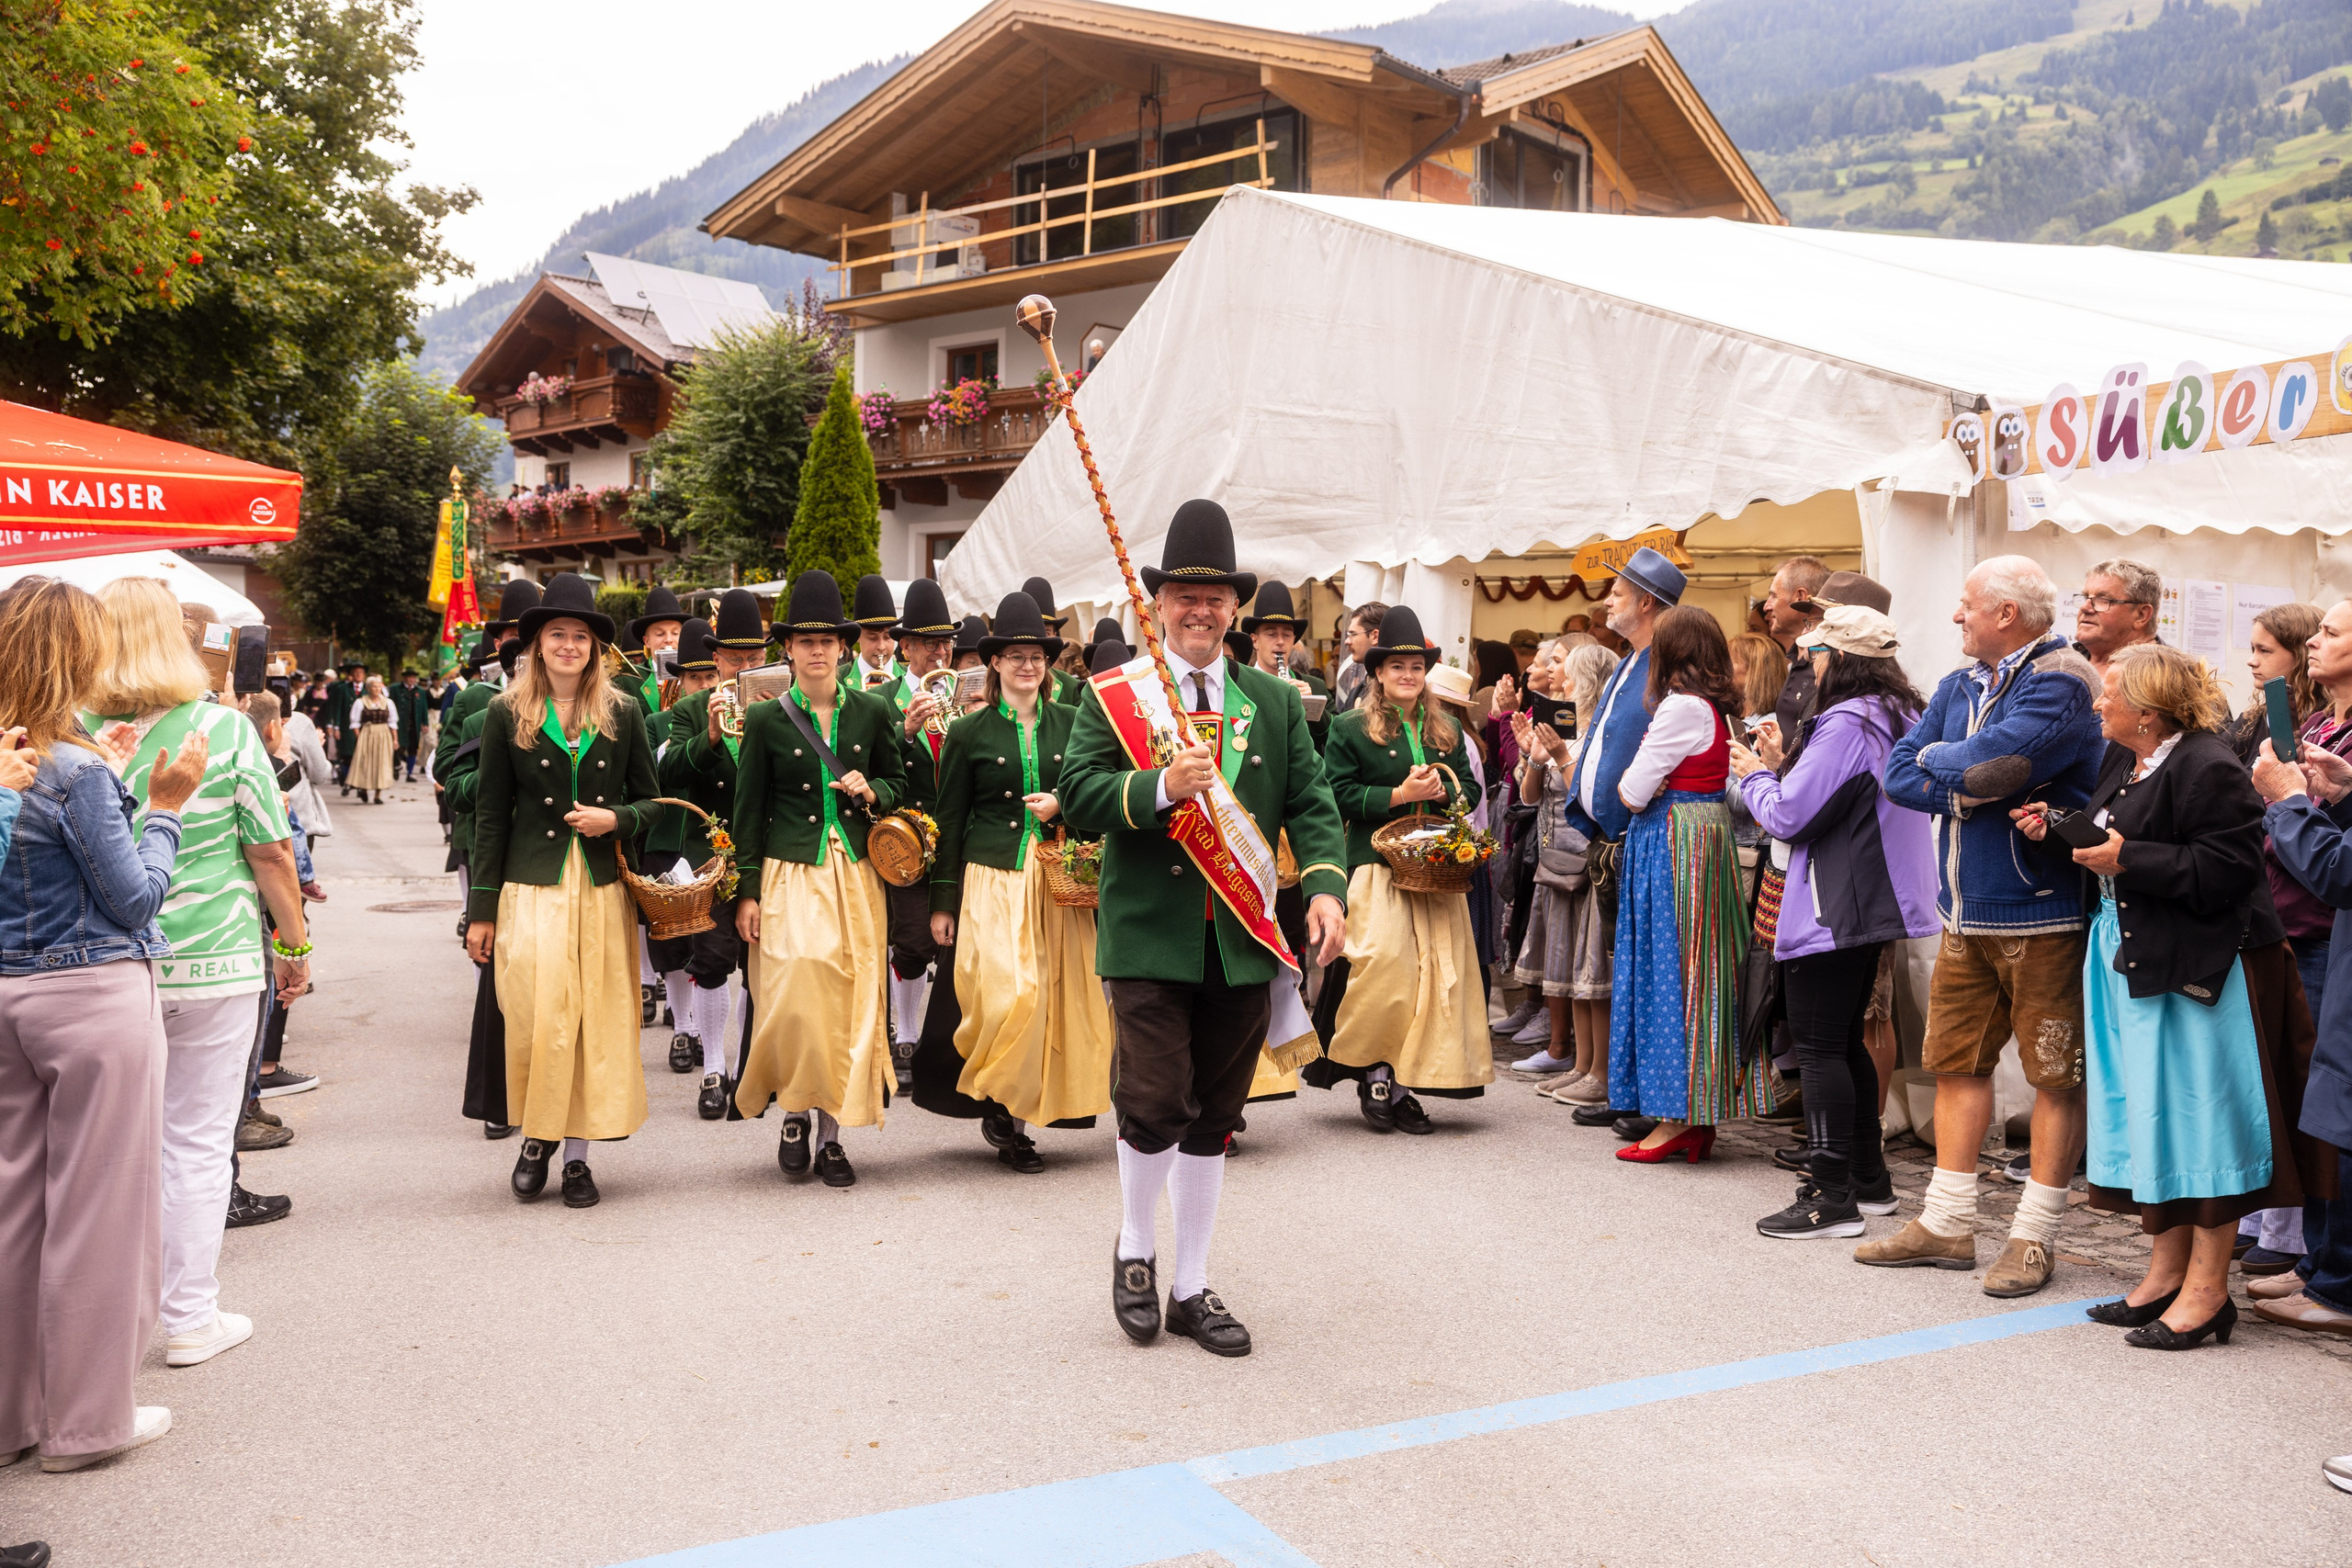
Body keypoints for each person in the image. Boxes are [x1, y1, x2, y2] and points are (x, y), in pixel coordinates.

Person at [1060, 499, 1348, 1358]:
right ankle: (1136, 1249)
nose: (1200, 609)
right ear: (1158, 604)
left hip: (1242, 942)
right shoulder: (1115, 698)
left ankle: (1192, 1284)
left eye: (1215, 595)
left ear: (1234, 608)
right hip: (1148, 937)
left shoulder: (1274, 699)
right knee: (1153, 1101)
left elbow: (1312, 802)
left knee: (1215, 1115)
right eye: (1184, 594)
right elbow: (1078, 795)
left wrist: (1327, 887)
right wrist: (1156, 788)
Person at [2024, 645, 2319, 1348]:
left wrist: (2126, 857)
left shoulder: (2207, 764)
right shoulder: (2128, 758)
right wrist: (2058, 834)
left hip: (2202, 968)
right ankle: (2166, 1273)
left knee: (2201, 1123)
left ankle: (2209, 1292)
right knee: (2155, 1119)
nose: (2098, 703)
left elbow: (2229, 869)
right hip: (2135, 957)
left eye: (2110, 693)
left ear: (2149, 713)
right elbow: (2114, 839)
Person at [0, 579, 200, 1474]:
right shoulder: (76, 771)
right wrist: (164, 807)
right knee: (100, 1216)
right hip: (91, 997)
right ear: (73, 655)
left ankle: (12, 1419)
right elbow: (133, 896)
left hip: (9, 996)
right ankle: (86, 1425)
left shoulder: (20, 759)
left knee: (16, 1215)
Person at [1866, 556, 2106, 1295]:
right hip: (1966, 912)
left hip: (2045, 913)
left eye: (1967, 604)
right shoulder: (1960, 682)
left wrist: (1963, 775)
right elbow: (1899, 774)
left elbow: (1994, 768)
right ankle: (1948, 1221)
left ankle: (2035, 1236)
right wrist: (1963, 780)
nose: (1955, 616)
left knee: (2053, 1078)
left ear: (2007, 613)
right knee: (1956, 1063)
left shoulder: (2062, 678)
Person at [88, 577, 308, 1368]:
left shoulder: (74, 731)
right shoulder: (223, 727)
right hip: (213, 958)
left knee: (115, 1148)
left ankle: (111, 1324)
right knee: (198, 1139)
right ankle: (188, 1315)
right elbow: (271, 850)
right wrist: (294, 944)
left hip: (111, 961)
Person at [1729, 605, 1938, 1235]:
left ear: (1839, 659)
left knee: (1820, 1044)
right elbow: (1839, 796)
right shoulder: (1895, 712)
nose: (1808, 664)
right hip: (1870, 895)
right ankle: (1868, 1181)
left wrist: (1760, 775)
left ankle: (1831, 1194)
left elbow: (1789, 815)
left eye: (1815, 654)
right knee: (1841, 1038)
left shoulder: (1847, 719)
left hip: (1836, 899)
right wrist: (1787, 761)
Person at [465, 573, 668, 1209]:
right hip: (531, 888)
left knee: (593, 1022)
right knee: (537, 1015)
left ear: (596, 648)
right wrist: (481, 910)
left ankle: (576, 1157)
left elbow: (653, 801)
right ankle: (536, 1135)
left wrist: (618, 820)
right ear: (538, 644)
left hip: (602, 887)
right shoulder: (505, 714)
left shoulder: (624, 711)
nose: (569, 645)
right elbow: (491, 814)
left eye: (580, 636)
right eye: (558, 634)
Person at [729, 571, 910, 1189]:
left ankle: (832, 1135)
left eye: (827, 639)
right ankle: (794, 1110)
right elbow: (746, 812)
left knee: (853, 999)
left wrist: (873, 789)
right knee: (796, 993)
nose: (816, 649)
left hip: (858, 872)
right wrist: (747, 890)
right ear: (788, 648)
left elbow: (901, 786)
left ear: (842, 646)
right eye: (804, 640)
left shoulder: (873, 709)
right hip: (789, 870)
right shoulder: (766, 719)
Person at [926, 592, 1112, 1171]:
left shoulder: (1073, 722)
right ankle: (999, 1100)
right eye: (1015, 655)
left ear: (1048, 662)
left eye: (1036, 655)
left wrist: (1064, 805)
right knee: (1012, 993)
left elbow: (1093, 792)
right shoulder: (969, 732)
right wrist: (942, 901)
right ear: (995, 663)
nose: (1027, 665)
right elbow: (949, 821)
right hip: (992, 877)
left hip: (1060, 879)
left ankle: (1015, 1119)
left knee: (1055, 999)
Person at [1306, 605, 1490, 1133]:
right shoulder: (1347, 728)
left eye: (1416, 667)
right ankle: (1375, 1071)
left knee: (1435, 979)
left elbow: (1471, 789)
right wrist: (1397, 794)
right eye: (1397, 668)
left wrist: (1444, 790)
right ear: (1378, 673)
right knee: (1385, 970)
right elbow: (1335, 795)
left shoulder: (1447, 728)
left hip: (1435, 869)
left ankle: (1404, 1083)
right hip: (1375, 866)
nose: (1408, 676)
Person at [1608, 604, 1778, 1162]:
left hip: (1674, 840)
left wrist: (1648, 790)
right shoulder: (1714, 708)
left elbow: (1632, 792)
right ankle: (1692, 1111)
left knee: (1671, 972)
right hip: (1705, 838)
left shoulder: (1682, 707)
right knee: (1699, 971)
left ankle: (1678, 1115)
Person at [2221, 600, 2326, 1271]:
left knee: (2300, 1076)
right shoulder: (2258, 717)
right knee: (2260, 1072)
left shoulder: (2300, 726)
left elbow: (2299, 820)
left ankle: (2294, 1229)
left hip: (2307, 915)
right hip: (2268, 907)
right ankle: (2264, 1211)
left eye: (2265, 650)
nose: (2252, 661)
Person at [1557, 547, 1678, 1133]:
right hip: (1614, 834)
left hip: (1639, 835)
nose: (1608, 601)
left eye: (1619, 593)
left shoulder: (1663, 667)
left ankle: (1635, 1094)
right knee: (1621, 969)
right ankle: (1623, 1086)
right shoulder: (1634, 661)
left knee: (1637, 971)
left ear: (1647, 602)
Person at [653, 601, 766, 1120]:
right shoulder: (689, 711)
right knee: (715, 961)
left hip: (770, 854)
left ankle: (748, 1064)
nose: (743, 667)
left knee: (762, 965)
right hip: (712, 856)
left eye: (754, 656)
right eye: (733, 658)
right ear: (716, 660)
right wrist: (712, 735)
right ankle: (714, 1069)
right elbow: (669, 773)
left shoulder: (786, 705)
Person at [1508, 643, 1620, 1096]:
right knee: (1570, 967)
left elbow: (1592, 803)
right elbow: (1531, 798)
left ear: (1588, 680)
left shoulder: (1606, 732)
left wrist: (1561, 757)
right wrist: (1535, 755)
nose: (1562, 681)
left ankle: (1598, 1071)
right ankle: (1579, 1065)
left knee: (1592, 968)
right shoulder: (1564, 726)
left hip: (1592, 862)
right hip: (1556, 860)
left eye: (1569, 673)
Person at [878, 579, 960, 1089]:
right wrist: (905, 732)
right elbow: (869, 766)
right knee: (910, 940)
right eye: (929, 642)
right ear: (905, 647)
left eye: (946, 641)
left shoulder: (970, 695)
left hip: (958, 837)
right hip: (905, 837)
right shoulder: (883, 701)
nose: (940, 650)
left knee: (958, 944)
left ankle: (946, 1042)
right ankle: (904, 1031)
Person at [1758, 555, 1829, 732]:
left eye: (1773, 596)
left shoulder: (1826, 663)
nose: (1767, 606)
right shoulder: (1794, 657)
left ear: (1800, 596)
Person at [2073, 558, 2163, 678]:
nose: (2085, 608)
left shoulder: (2171, 677)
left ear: (2141, 615)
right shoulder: (2063, 661)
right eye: (2086, 597)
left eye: (2103, 600)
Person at [1021, 575, 1085, 705]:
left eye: (1045, 632)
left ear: (1055, 636)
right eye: (1031, 631)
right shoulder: (997, 685)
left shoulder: (1071, 686)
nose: (1038, 639)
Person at [345, 674, 397, 803]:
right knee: (365, 763)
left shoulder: (388, 702)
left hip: (383, 734)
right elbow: (355, 723)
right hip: (367, 733)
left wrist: (395, 739)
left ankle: (378, 795)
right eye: (374, 686)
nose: (377, 689)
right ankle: (363, 789)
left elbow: (393, 723)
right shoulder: (360, 702)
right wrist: (359, 738)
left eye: (379, 686)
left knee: (381, 763)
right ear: (368, 688)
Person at [848, 574, 903, 693]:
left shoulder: (909, 679)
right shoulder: (837, 679)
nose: (881, 647)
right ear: (858, 635)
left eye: (888, 637)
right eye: (873, 638)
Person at [1332, 602, 1385, 715]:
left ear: (1375, 636)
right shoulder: (1357, 691)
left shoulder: (1397, 690)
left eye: (1353, 634)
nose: (1347, 641)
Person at [391, 669, 430, 781]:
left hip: (415, 724)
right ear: (404, 678)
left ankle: (410, 773)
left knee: (413, 748)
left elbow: (424, 708)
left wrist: (425, 723)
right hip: (400, 723)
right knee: (398, 747)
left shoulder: (420, 691)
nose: (411, 679)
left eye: (413, 677)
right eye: (409, 677)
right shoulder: (395, 689)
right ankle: (396, 765)